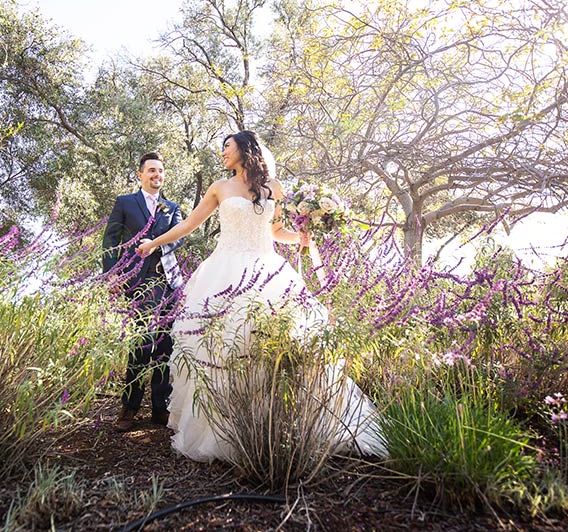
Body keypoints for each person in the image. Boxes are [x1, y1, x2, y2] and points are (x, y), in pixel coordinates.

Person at [136, 131, 385, 462]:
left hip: (268, 271)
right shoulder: (219, 188)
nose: (223, 152)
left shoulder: (274, 188)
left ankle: (277, 425)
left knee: (284, 343)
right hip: (224, 272)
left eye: (227, 146)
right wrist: (154, 242)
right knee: (223, 347)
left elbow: (277, 232)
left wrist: (302, 237)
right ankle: (225, 432)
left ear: (244, 148)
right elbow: (190, 225)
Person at [102, 152, 185, 431]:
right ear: (140, 174)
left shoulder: (172, 208)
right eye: (151, 170)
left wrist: (157, 244)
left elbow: (180, 238)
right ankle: (129, 409)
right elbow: (111, 240)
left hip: (169, 283)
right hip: (138, 281)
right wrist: (113, 274)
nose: (156, 175)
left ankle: (160, 410)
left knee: (165, 346)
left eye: (160, 171)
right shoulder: (125, 202)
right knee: (142, 343)